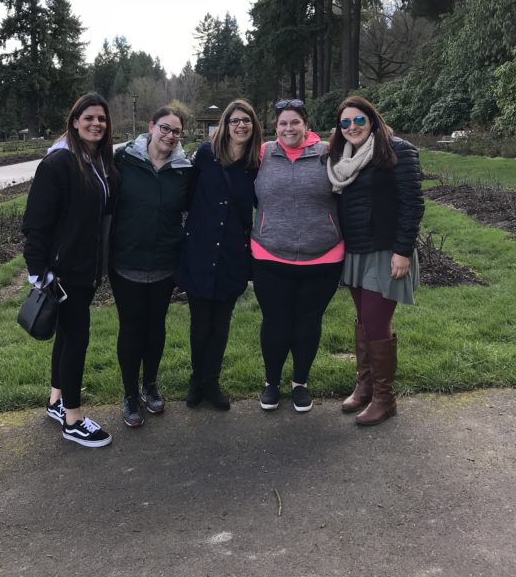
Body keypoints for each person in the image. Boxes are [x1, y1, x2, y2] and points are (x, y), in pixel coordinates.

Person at [22, 93, 118, 448]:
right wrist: (39, 273)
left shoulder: (96, 162)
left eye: (102, 119)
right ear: (75, 122)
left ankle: (56, 400)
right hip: (64, 274)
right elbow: (36, 223)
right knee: (77, 339)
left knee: (66, 336)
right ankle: (74, 420)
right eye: (89, 118)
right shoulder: (58, 164)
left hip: (85, 268)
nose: (96, 124)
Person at [326, 95, 424, 426]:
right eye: (345, 122)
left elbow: (412, 203)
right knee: (364, 320)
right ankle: (365, 386)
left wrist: (402, 251)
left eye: (358, 120)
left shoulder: (397, 151)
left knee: (376, 321)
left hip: (385, 251)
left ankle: (385, 398)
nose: (352, 127)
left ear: (372, 120)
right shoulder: (342, 158)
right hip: (355, 250)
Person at [251, 99, 344, 413]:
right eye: (283, 123)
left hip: (323, 258)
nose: (288, 128)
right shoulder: (262, 154)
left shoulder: (328, 153)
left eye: (295, 122)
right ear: (275, 127)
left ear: (306, 125)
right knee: (275, 322)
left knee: (308, 322)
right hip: (270, 255)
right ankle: (271, 383)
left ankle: (300, 383)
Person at [175, 99, 262, 410]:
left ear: (254, 127)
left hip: (231, 254)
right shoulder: (205, 155)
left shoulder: (255, 166)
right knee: (200, 323)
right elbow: (185, 195)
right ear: (225, 124)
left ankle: (211, 381)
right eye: (235, 120)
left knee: (221, 323)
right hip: (200, 249)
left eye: (246, 121)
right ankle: (196, 380)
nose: (241, 125)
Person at [109, 106, 193, 428]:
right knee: (132, 329)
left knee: (156, 327)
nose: (170, 136)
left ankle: (150, 385)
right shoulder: (124, 160)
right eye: (165, 128)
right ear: (151, 127)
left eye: (176, 131)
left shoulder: (184, 170)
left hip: (164, 264)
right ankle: (130, 394)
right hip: (126, 263)